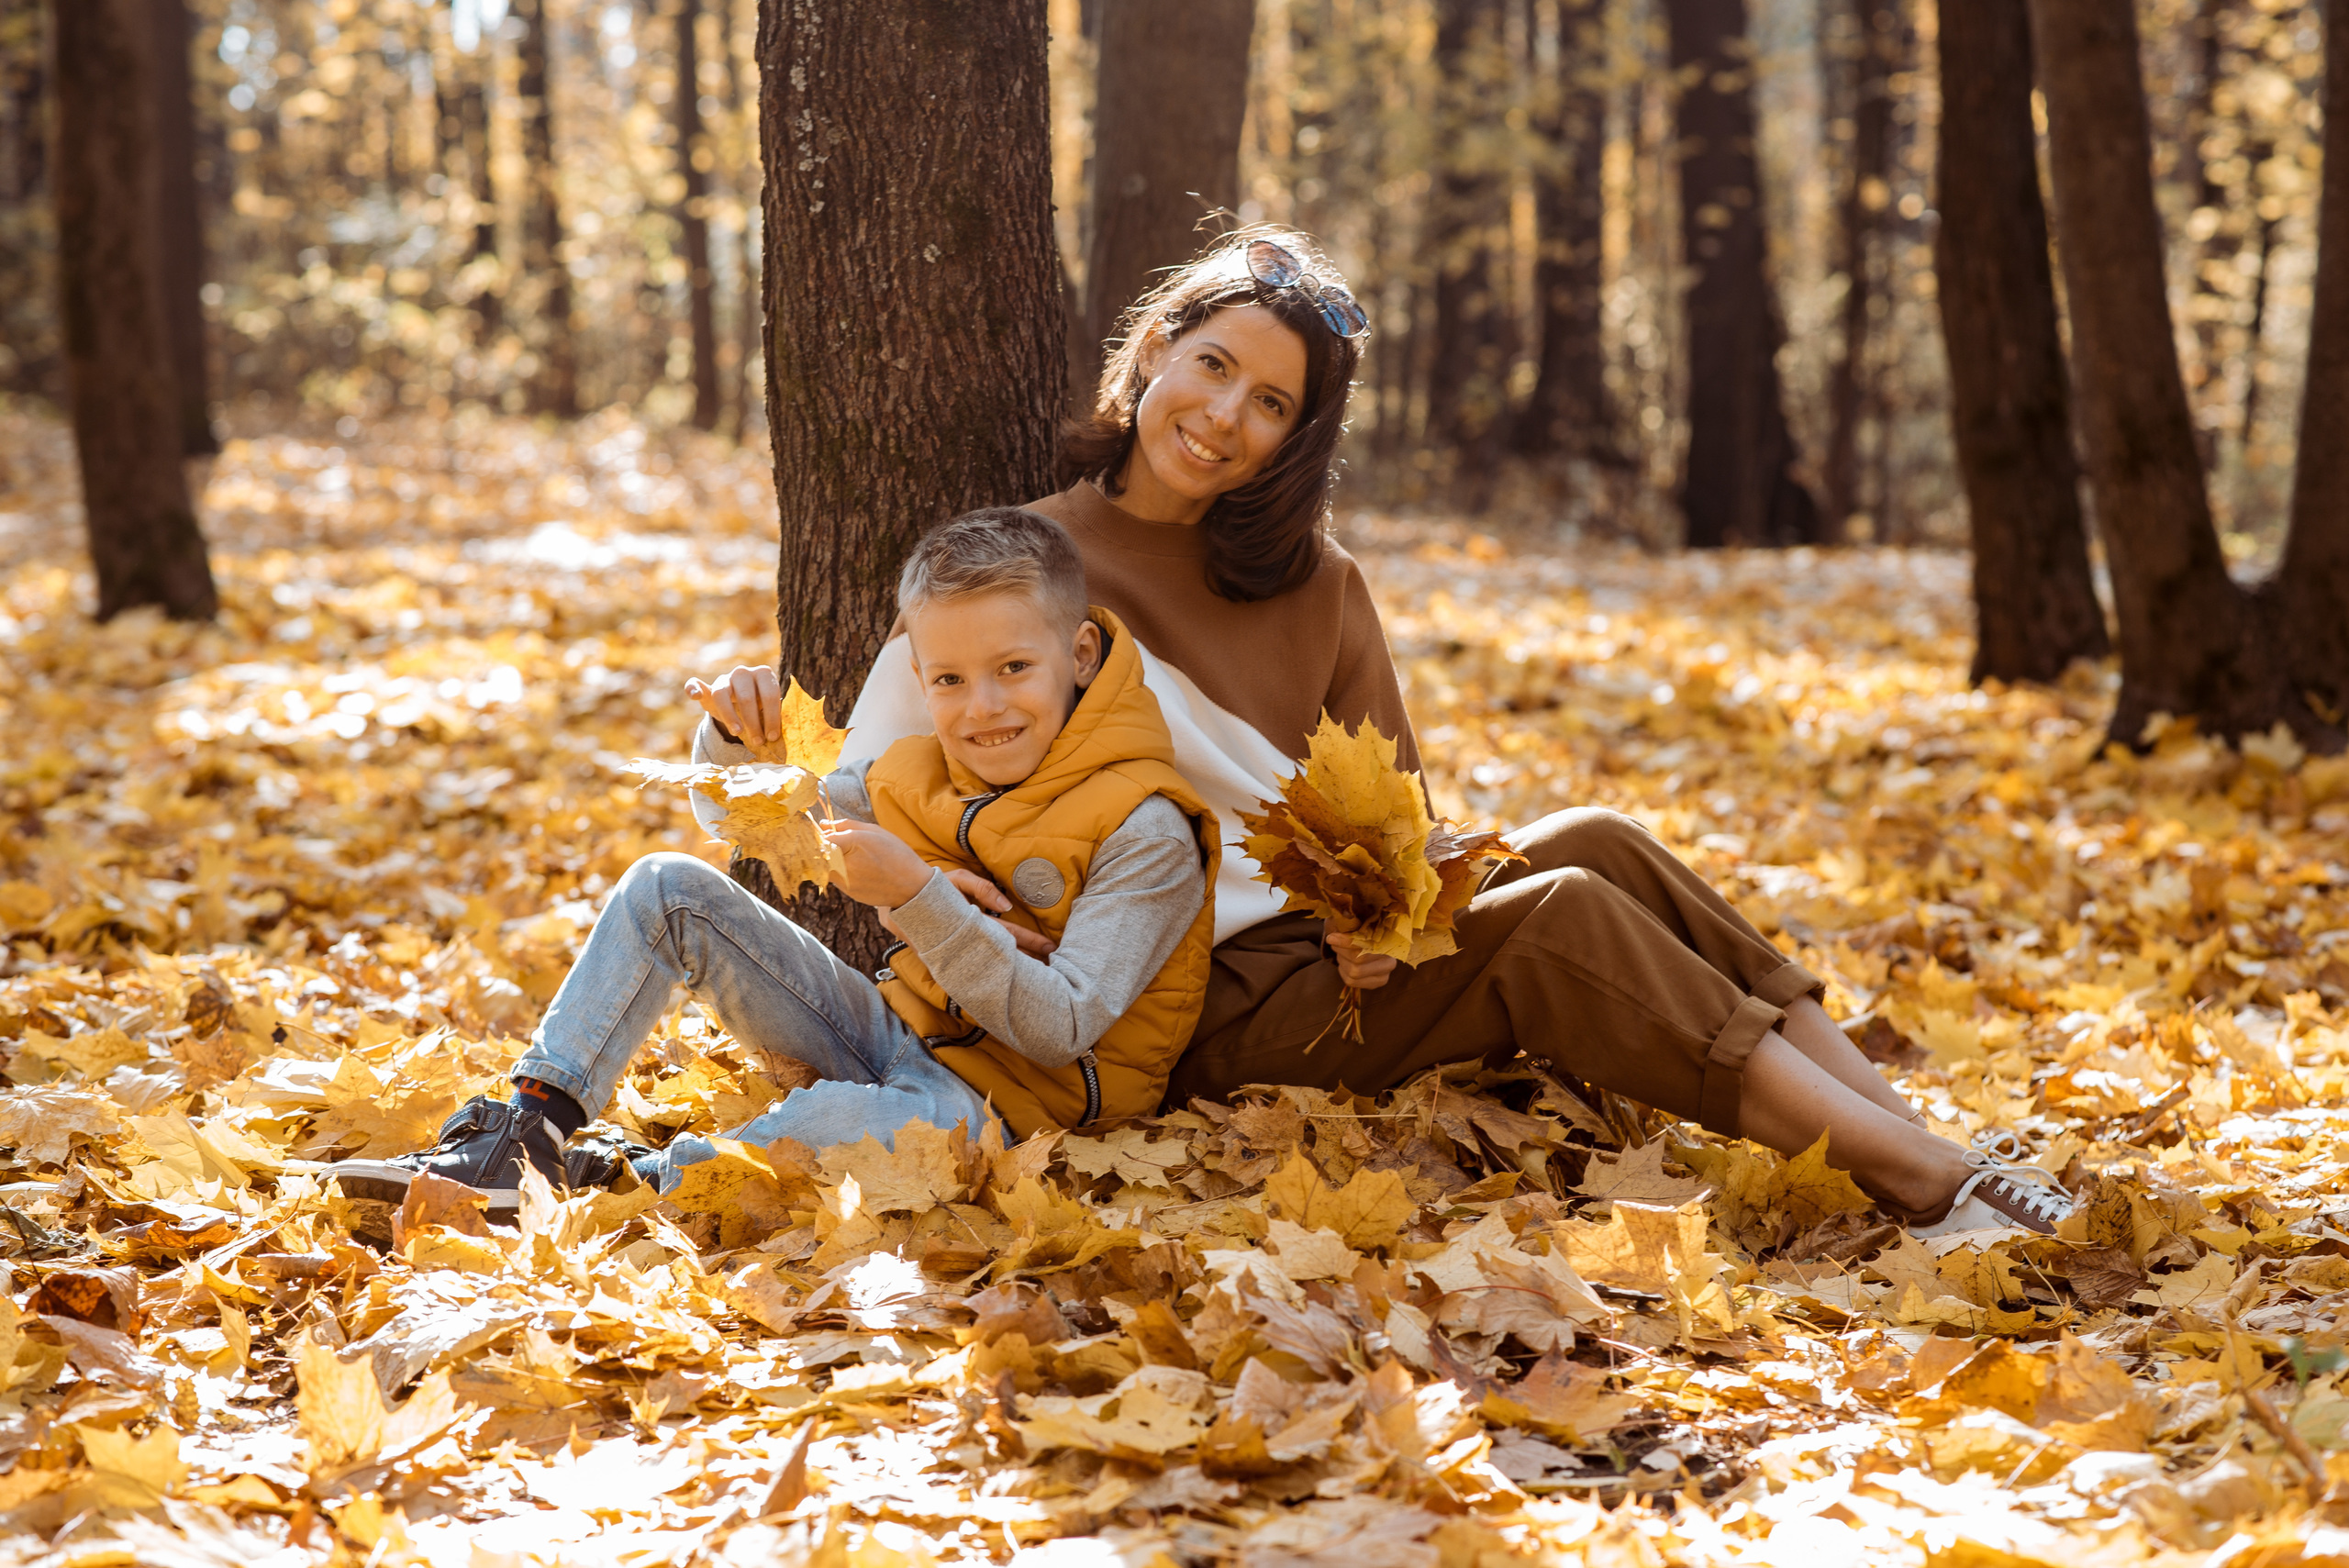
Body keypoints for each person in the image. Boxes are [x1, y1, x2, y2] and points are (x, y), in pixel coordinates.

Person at [706, 228, 2070, 1238]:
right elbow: (851, 796)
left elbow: (1399, 824)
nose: (1224, 417)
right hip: (1179, 995)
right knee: (1560, 918)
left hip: (1320, 962)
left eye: (1270, 404)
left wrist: (1391, 909)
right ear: (1156, 350)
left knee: (1597, 840)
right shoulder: (1025, 568)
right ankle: (1925, 1182)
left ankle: (1912, 1131)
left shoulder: (1319, 583)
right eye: (1213, 366)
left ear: (1296, 435)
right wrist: (760, 754)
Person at [331, 508, 1218, 1215]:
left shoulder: (1146, 829)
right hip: (892, 1038)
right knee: (667, 887)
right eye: (949, 679)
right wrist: (734, 741)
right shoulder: (916, 773)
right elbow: (752, 821)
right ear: (922, 678)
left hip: (1016, 1119)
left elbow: (1064, 1026)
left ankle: (621, 1181)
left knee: (833, 1122)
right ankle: (526, 1132)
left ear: (1080, 654)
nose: (982, 707)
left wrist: (918, 896)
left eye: (1014, 668)